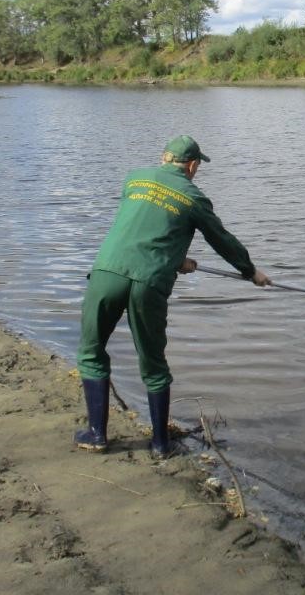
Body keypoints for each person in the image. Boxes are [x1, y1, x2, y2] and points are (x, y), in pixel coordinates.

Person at [74, 135, 270, 458]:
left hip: (107, 272)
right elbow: (222, 240)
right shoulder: (194, 197)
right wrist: (250, 271)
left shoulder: (134, 178)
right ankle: (161, 444)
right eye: (197, 167)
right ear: (192, 166)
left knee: (92, 351)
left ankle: (96, 434)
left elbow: (140, 225)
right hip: (148, 283)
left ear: (164, 158)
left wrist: (174, 257)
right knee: (153, 364)